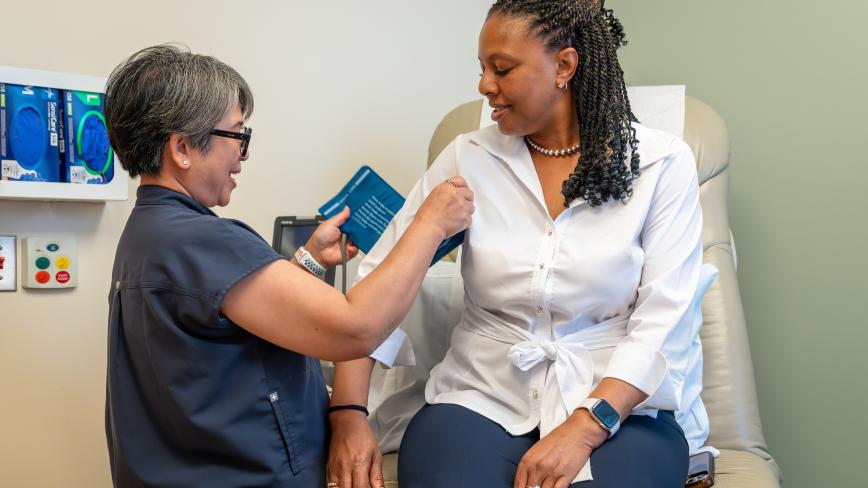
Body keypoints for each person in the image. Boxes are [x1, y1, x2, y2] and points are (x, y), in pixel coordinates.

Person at [327, 1, 708, 487]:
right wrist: (348, 416)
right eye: (482, 68)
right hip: (478, 398)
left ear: (564, 66)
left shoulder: (660, 166)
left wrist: (585, 427)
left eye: (501, 69)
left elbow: (664, 323)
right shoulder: (469, 158)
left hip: (618, 410)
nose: (484, 85)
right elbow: (376, 290)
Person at [103, 44, 474, 488]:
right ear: (182, 148)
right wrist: (430, 223)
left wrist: (310, 260)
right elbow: (355, 329)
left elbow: (239, 317)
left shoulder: (150, 232)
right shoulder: (201, 240)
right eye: (237, 136)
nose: (242, 157)